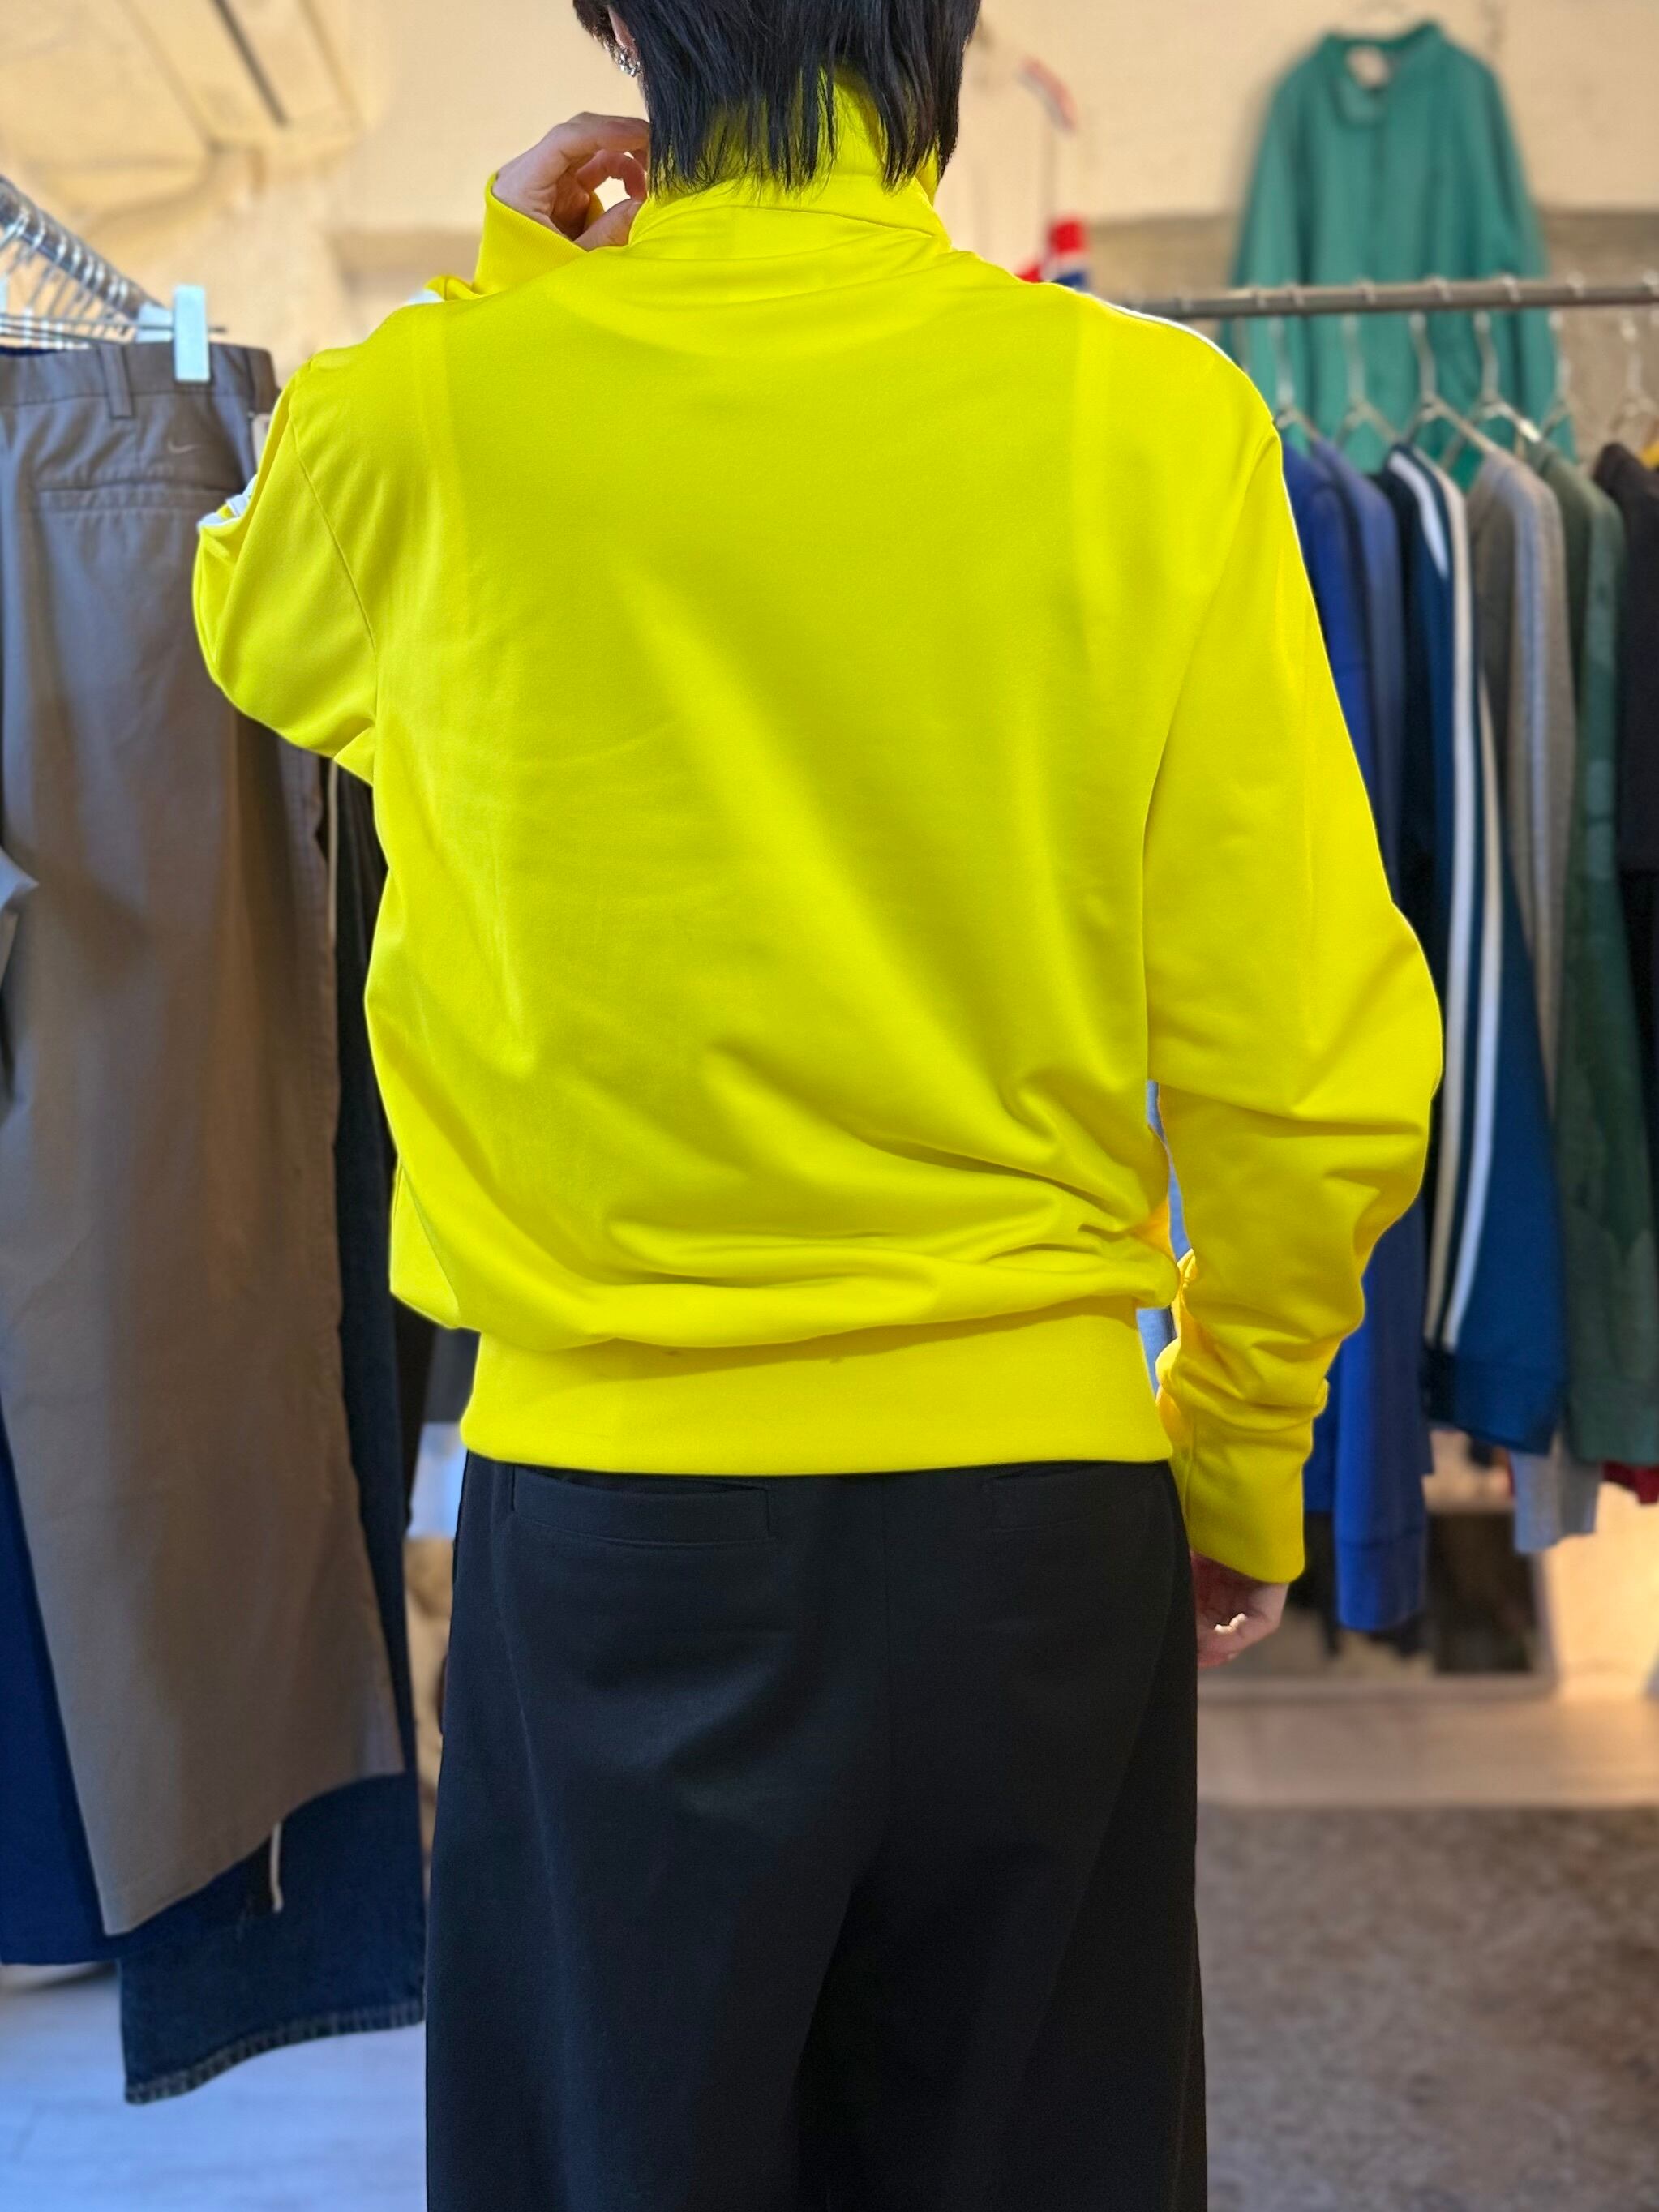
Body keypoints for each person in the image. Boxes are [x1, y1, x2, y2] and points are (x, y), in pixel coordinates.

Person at [194, 3, 1441, 2204]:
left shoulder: (429, 419)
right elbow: (1302, 1045)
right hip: (1040, 1513)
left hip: (622, 1523)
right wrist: (1242, 1446)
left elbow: (260, 629)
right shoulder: (1154, 421)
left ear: (619, 23)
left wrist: (522, 278)